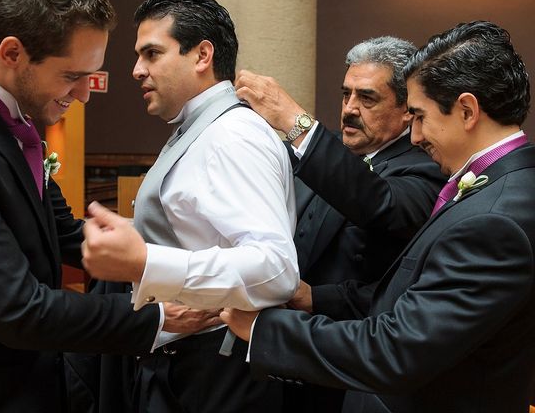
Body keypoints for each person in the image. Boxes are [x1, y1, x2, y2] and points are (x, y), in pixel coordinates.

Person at [0, 0, 209, 413]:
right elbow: (18, 310)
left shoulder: (15, 117)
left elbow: (64, 232)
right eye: (72, 76)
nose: (84, 94)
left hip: (37, 385)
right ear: (12, 53)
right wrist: (159, 318)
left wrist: (180, 259)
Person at [222, 20, 535, 413]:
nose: (416, 136)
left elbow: (395, 350)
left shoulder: (495, 221)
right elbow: (409, 295)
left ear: (467, 111)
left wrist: (267, 330)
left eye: (419, 116)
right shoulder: (504, 183)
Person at [81, 0, 299, 413]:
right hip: (185, 364)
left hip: (216, 372)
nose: (136, 70)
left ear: (202, 55)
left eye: (152, 54)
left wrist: (147, 263)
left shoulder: (232, 136)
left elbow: (276, 268)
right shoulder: (199, 127)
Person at [234, 37, 445, 412]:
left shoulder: (424, 167)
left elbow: (378, 203)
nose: (348, 109)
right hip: (277, 362)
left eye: (367, 99)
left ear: (406, 111)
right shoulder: (325, 150)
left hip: (345, 368)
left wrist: (293, 119)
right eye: (345, 94)